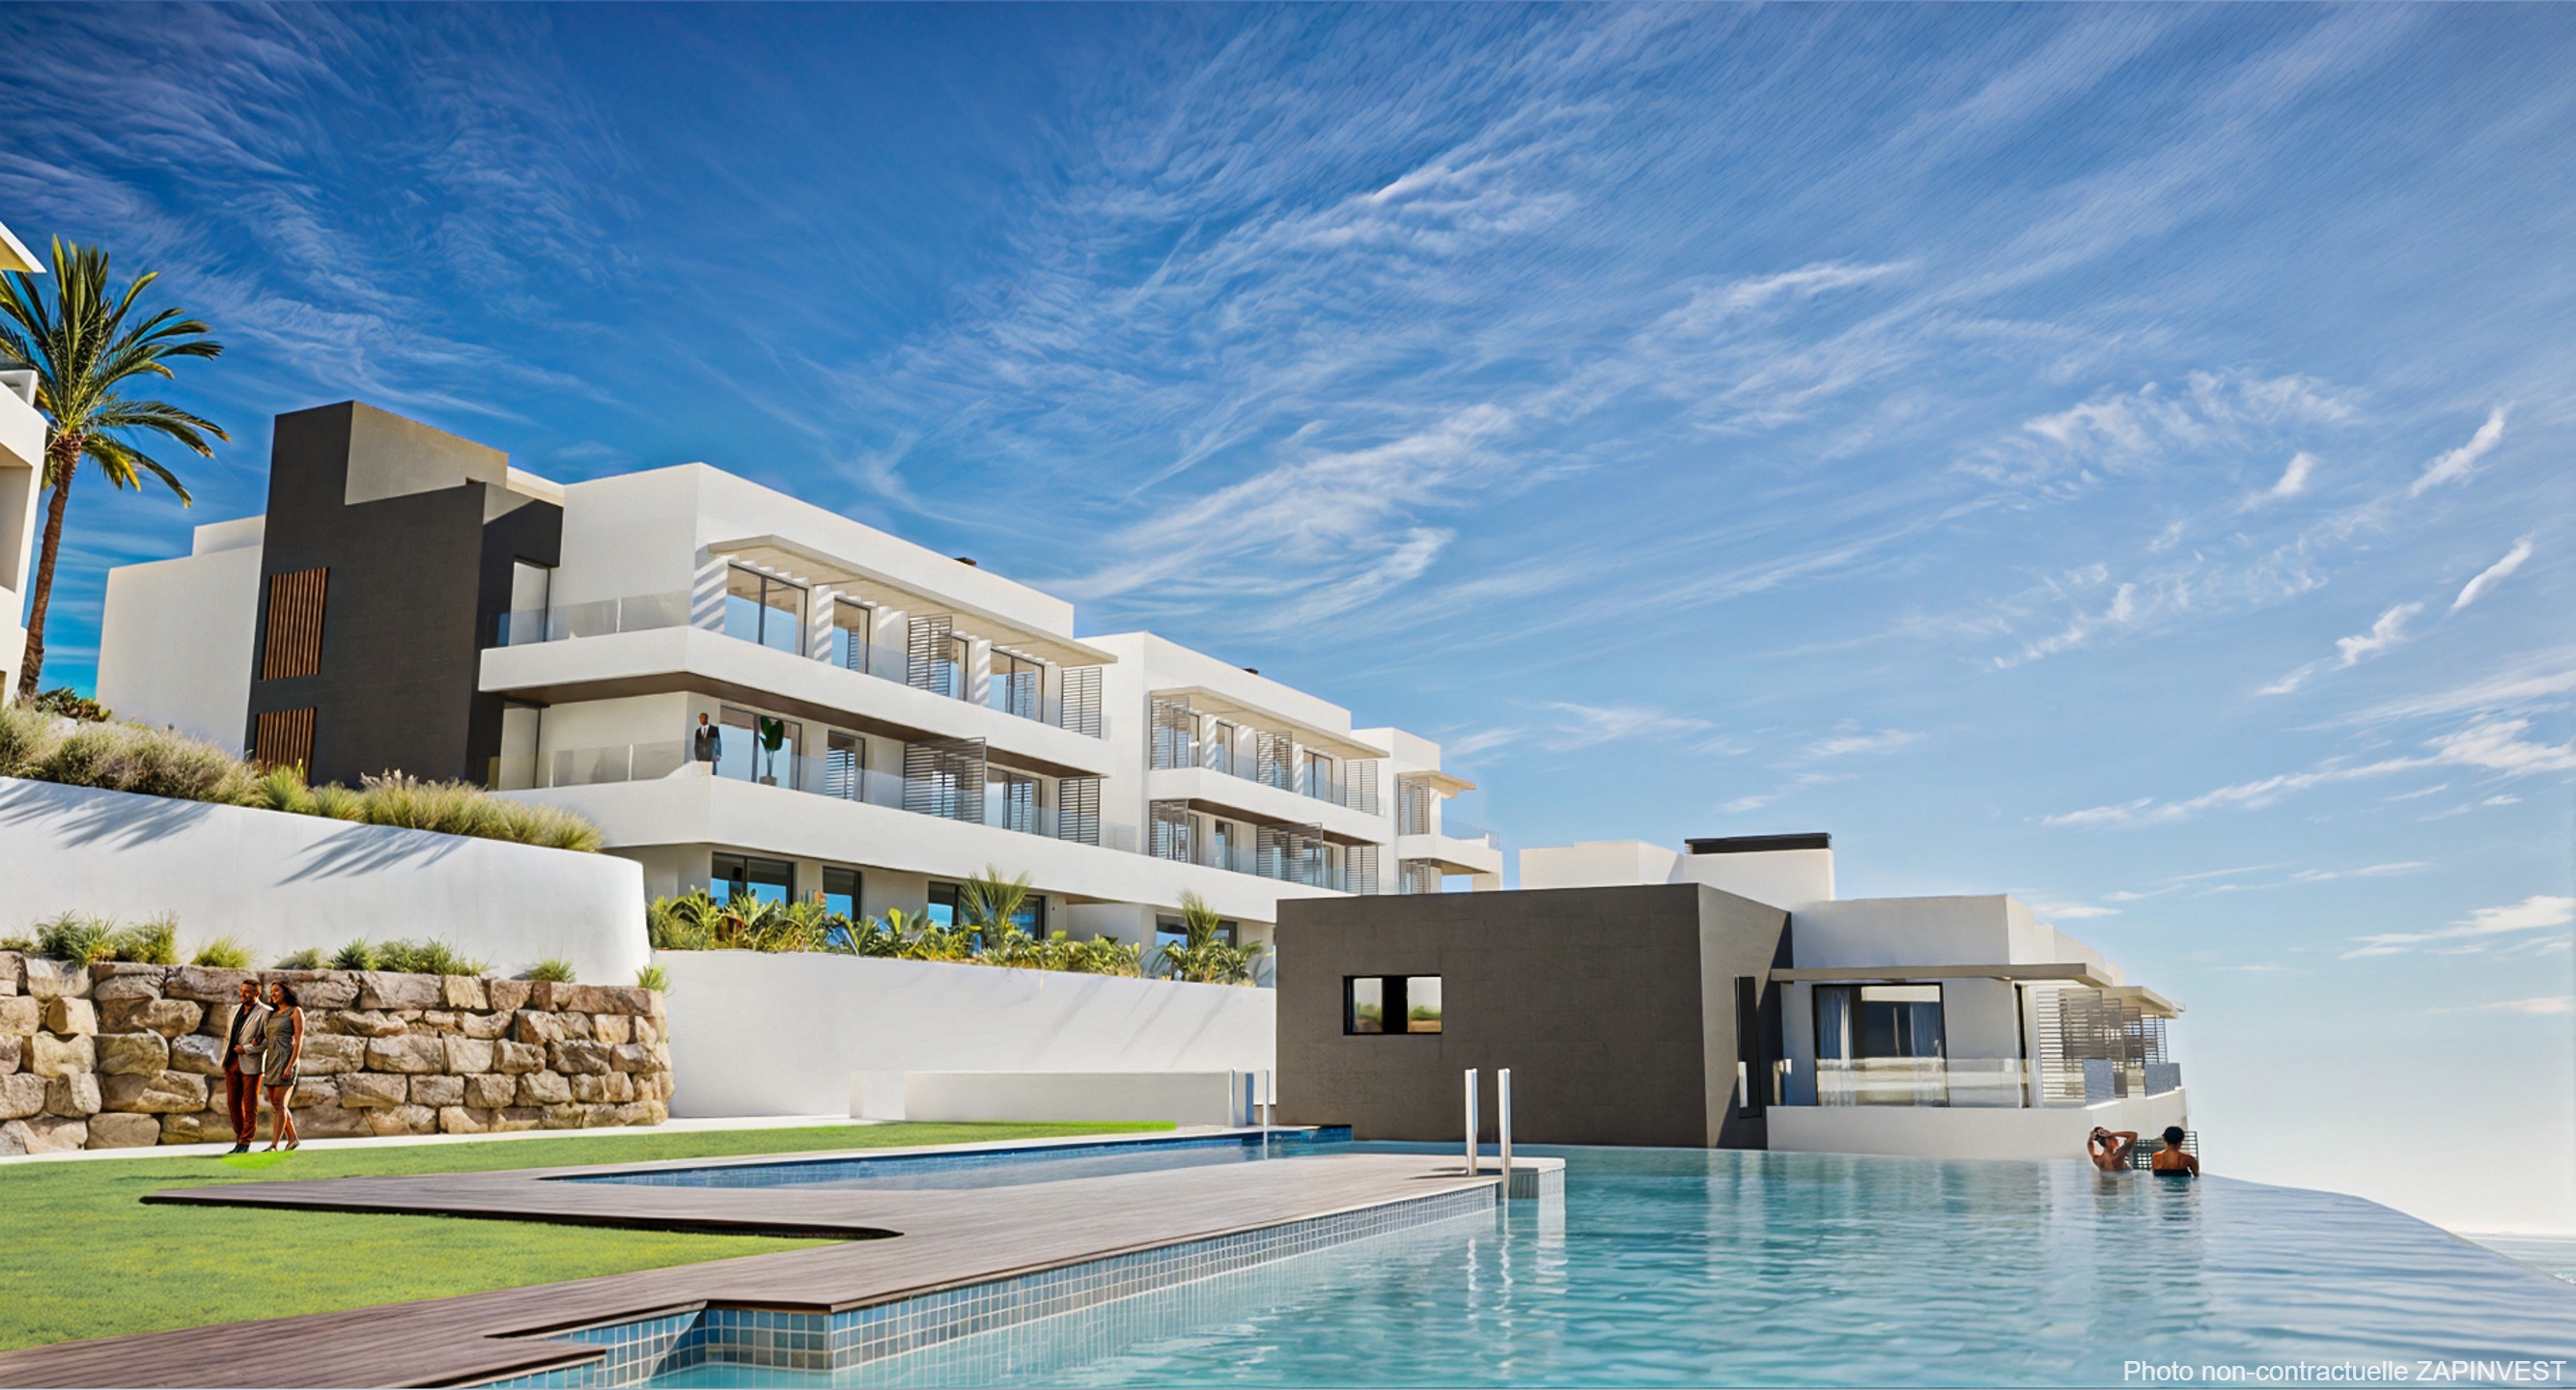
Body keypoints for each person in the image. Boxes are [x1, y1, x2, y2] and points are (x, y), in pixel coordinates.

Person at [220, 979, 271, 1154]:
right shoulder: (234, 1010)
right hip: (231, 1062)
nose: (242, 994)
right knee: (233, 1104)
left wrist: (247, 1048)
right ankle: (239, 1140)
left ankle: (246, 1141)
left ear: (257, 994)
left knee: (249, 1105)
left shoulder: (266, 1013)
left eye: (247, 992)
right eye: (241, 991)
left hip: (250, 1064)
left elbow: (267, 1041)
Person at [258, 982, 306, 1152]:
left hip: (286, 1061)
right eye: (271, 992)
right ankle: (292, 1138)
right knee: (277, 1105)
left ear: (286, 992)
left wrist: (290, 1066)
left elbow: (299, 1041)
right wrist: (259, 1039)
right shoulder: (272, 1015)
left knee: (280, 1105)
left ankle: (273, 1145)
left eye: (276, 990)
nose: (273, 994)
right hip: (271, 1062)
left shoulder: (295, 1012)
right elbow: (268, 1036)